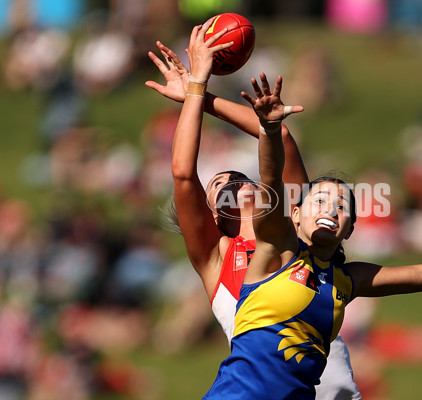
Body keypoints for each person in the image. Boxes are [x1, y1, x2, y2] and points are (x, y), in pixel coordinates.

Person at [199, 45, 422, 400]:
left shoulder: (346, 280)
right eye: (321, 199)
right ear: (294, 213)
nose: (330, 207)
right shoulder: (274, 251)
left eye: (341, 205)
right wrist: (207, 101)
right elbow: (271, 173)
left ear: (351, 229)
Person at [145, 20, 362, 399]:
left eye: (238, 176)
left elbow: (282, 138)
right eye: (218, 183)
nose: (232, 180)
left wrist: (202, 96)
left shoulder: (295, 224)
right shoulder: (217, 258)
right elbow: (182, 173)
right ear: (212, 214)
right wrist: (195, 84)